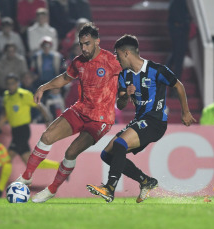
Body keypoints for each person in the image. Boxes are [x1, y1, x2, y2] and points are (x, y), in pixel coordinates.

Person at [14, 23, 121, 203]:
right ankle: (26, 176)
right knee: (47, 136)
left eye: (87, 43)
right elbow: (65, 77)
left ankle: (52, 189)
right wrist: (44, 87)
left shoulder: (111, 61)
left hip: (101, 119)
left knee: (70, 153)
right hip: (80, 110)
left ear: (97, 42)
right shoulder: (78, 61)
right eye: (81, 44)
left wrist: (131, 93)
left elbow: (131, 73)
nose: (84, 48)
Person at [86, 34, 196, 203]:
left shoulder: (156, 70)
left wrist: (185, 112)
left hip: (155, 121)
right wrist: (126, 96)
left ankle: (109, 188)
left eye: (117, 55)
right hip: (139, 121)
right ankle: (146, 181)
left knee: (120, 143)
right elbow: (121, 104)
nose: (116, 59)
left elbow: (178, 85)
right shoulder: (124, 75)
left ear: (126, 53)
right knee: (107, 155)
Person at [0, 73, 56, 198]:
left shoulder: (24, 94)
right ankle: (59, 166)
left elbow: (40, 106)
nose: (10, 86)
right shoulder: (6, 96)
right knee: (30, 162)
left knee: (7, 158)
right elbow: (5, 113)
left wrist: (47, 119)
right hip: (15, 131)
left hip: (23, 130)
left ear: (17, 83)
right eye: (8, 83)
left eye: (13, 83)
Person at [166, 0, 191, 80]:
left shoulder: (177, 2)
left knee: (177, 54)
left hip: (179, 31)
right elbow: (175, 17)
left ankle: (168, 72)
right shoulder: (177, 2)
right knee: (178, 56)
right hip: (179, 31)